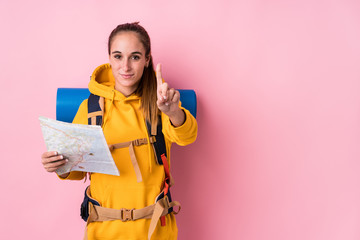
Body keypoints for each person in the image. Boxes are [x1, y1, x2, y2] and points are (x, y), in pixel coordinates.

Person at [41, 22, 197, 240]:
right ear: (109, 59)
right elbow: (75, 171)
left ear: (147, 60)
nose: (125, 67)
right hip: (103, 231)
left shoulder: (160, 103)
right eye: (118, 56)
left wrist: (173, 112)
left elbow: (187, 136)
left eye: (134, 57)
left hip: (155, 231)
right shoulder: (90, 108)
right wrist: (59, 166)